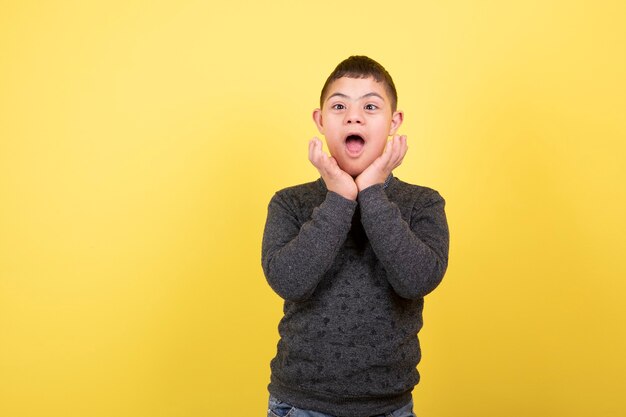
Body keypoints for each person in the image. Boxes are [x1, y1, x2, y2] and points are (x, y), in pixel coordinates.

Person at [261, 55, 449, 417]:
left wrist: (373, 193)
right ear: (320, 120)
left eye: (370, 106)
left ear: (394, 122)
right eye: (339, 106)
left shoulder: (423, 203)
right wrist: (339, 198)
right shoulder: (290, 203)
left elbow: (417, 280)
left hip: (389, 407)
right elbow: (289, 281)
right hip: (301, 405)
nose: (354, 116)